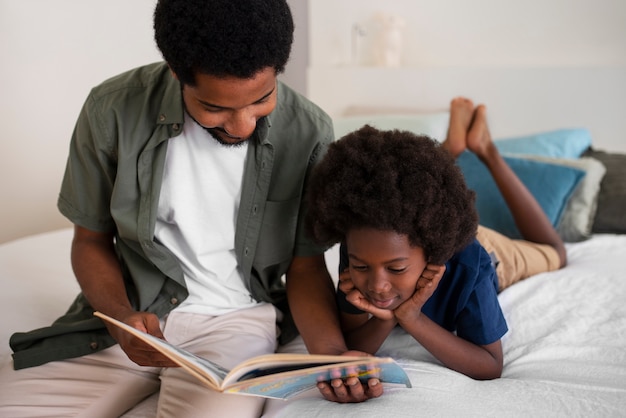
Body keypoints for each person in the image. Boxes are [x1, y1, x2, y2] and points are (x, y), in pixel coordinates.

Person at [0, 0, 367, 416]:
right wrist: (121, 318)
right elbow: (90, 240)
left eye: (262, 99)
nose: (243, 125)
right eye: (216, 108)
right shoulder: (112, 109)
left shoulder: (309, 130)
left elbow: (305, 266)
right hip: (126, 317)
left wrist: (332, 357)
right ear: (177, 73)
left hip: (235, 325)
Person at [305, 97, 566, 401]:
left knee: (556, 253)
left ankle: (486, 149)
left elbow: (490, 366)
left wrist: (412, 318)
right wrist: (386, 318)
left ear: (431, 254)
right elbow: (349, 343)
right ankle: (450, 148)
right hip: (426, 224)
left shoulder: (471, 265)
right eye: (362, 267)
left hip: (494, 251)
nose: (377, 284)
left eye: (396, 269)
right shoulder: (361, 252)